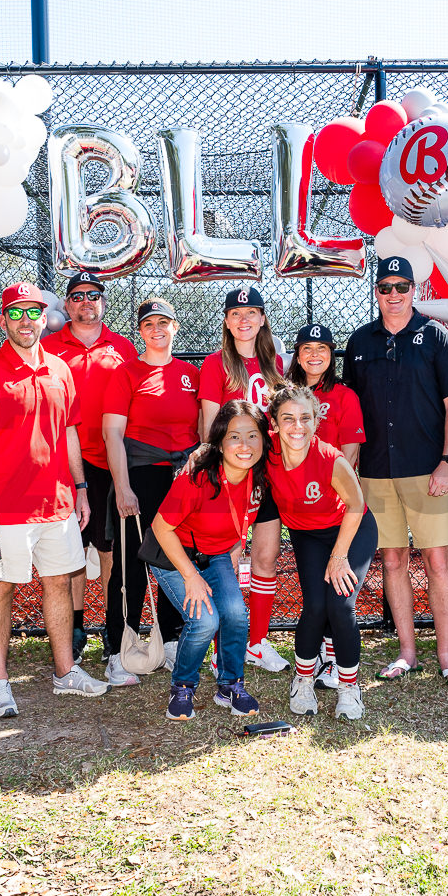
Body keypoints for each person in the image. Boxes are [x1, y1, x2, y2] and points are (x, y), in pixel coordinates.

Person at [0, 282, 108, 719]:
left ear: (46, 318)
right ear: (3, 320)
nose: (25, 321)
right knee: (2, 588)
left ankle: (65, 672)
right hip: (5, 509)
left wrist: (80, 489)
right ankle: (0, 683)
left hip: (59, 504)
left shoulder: (61, 369)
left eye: (33, 313)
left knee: (60, 583)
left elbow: (69, 434)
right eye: (16, 314)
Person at [343, 256, 448, 689]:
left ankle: (447, 655)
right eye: (385, 287)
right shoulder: (360, 342)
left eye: (402, 286)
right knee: (392, 560)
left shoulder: (436, 338)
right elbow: (351, 414)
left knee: (436, 560)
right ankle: (407, 653)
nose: (393, 294)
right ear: (376, 292)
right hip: (376, 473)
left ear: (414, 290)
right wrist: (352, 470)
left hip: (427, 470)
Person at [148, 401, 268, 720]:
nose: (244, 445)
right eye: (234, 436)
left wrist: (233, 551)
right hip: (173, 555)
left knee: (236, 614)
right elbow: (161, 527)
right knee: (204, 621)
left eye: (252, 436)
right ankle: (183, 686)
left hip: (215, 553)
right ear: (219, 441)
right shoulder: (199, 475)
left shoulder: (259, 476)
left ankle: (230, 686)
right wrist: (191, 576)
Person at [100, 298, 199, 684]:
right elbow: (112, 433)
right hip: (141, 474)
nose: (156, 329)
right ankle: (117, 647)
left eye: (163, 322)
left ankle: (171, 639)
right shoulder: (127, 373)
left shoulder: (190, 373)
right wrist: (123, 487)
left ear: (175, 327)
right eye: (148, 324)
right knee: (131, 565)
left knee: (178, 560)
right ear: (139, 332)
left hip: (182, 479)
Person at [41, 271, 138, 663]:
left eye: (93, 295)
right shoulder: (47, 346)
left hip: (106, 464)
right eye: (77, 295)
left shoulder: (124, 348)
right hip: (59, 465)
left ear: (103, 302)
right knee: (69, 553)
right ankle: (76, 627)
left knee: (109, 548)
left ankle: (115, 630)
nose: (86, 301)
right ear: (66, 305)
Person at [266, 386, 377, 720]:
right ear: (274, 423)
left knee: (340, 605)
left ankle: (348, 688)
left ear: (316, 422)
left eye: (305, 418)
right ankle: (303, 679)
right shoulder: (265, 452)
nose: (297, 426)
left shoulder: (331, 458)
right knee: (315, 606)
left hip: (351, 528)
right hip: (307, 535)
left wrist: (340, 555)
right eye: (288, 418)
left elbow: (356, 505)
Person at [198, 286, 288, 672]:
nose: (244, 319)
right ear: (226, 321)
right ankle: (224, 650)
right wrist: (218, 472)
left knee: (266, 556)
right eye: (236, 313)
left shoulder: (274, 365)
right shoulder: (215, 364)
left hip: (267, 471)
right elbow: (208, 425)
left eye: (252, 312)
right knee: (229, 561)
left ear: (263, 318)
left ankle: (257, 641)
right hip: (231, 475)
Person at [286, 323, 364, 466]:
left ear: (330, 355)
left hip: (332, 483)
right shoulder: (286, 396)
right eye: (307, 348)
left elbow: (350, 455)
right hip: (293, 482)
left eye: (321, 347)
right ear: (297, 357)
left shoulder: (345, 396)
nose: (314, 354)